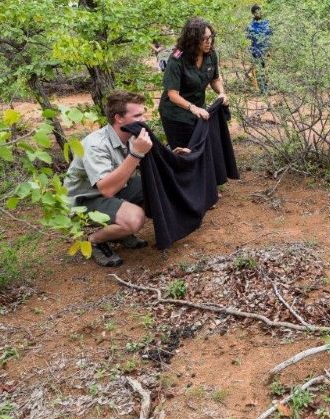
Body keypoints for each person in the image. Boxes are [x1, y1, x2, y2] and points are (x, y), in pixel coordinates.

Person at [64, 92, 153, 267]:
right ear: (118, 118)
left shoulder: (131, 135)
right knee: (136, 219)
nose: (143, 120)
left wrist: (174, 156)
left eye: (143, 114)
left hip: (113, 188)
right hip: (86, 199)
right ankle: (93, 240)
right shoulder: (96, 144)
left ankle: (121, 233)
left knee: (154, 186)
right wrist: (136, 154)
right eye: (137, 115)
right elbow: (107, 189)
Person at [159, 17, 229, 150]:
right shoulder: (177, 59)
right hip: (176, 115)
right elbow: (172, 94)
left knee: (201, 150)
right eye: (203, 39)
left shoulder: (211, 55)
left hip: (199, 112)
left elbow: (215, 79)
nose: (209, 42)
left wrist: (221, 93)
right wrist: (193, 108)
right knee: (184, 153)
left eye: (211, 37)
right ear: (192, 40)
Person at [246, 4, 272, 95]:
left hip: (266, 51)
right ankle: (261, 90)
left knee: (266, 71)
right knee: (258, 71)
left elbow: (270, 34)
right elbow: (248, 37)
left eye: (259, 11)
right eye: (256, 12)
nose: (258, 13)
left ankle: (265, 89)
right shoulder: (250, 25)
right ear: (253, 14)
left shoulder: (267, 23)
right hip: (256, 52)